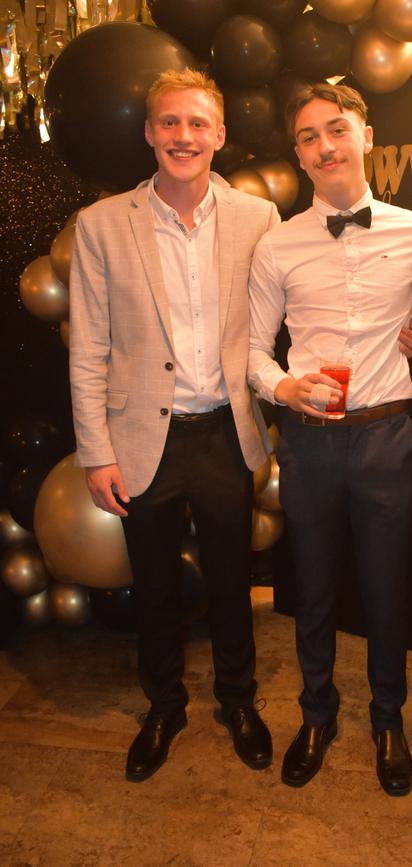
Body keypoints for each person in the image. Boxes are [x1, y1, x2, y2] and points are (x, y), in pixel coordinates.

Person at [69, 68, 280, 782]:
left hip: (225, 431)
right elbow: (89, 344)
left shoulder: (259, 218)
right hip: (140, 439)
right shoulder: (101, 224)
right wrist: (96, 451)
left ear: (220, 134)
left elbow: (277, 324)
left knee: (231, 580)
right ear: (149, 133)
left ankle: (238, 700)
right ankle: (165, 705)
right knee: (153, 586)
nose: (182, 136)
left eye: (196, 124)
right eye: (168, 123)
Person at [247, 82, 412, 796]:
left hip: (387, 434)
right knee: (316, 587)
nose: (324, 146)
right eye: (307, 137)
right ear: (298, 153)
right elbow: (254, 351)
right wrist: (282, 387)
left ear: (367, 133)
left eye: (336, 129)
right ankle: (316, 715)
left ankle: (388, 718)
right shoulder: (277, 243)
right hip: (310, 441)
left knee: (387, 588)